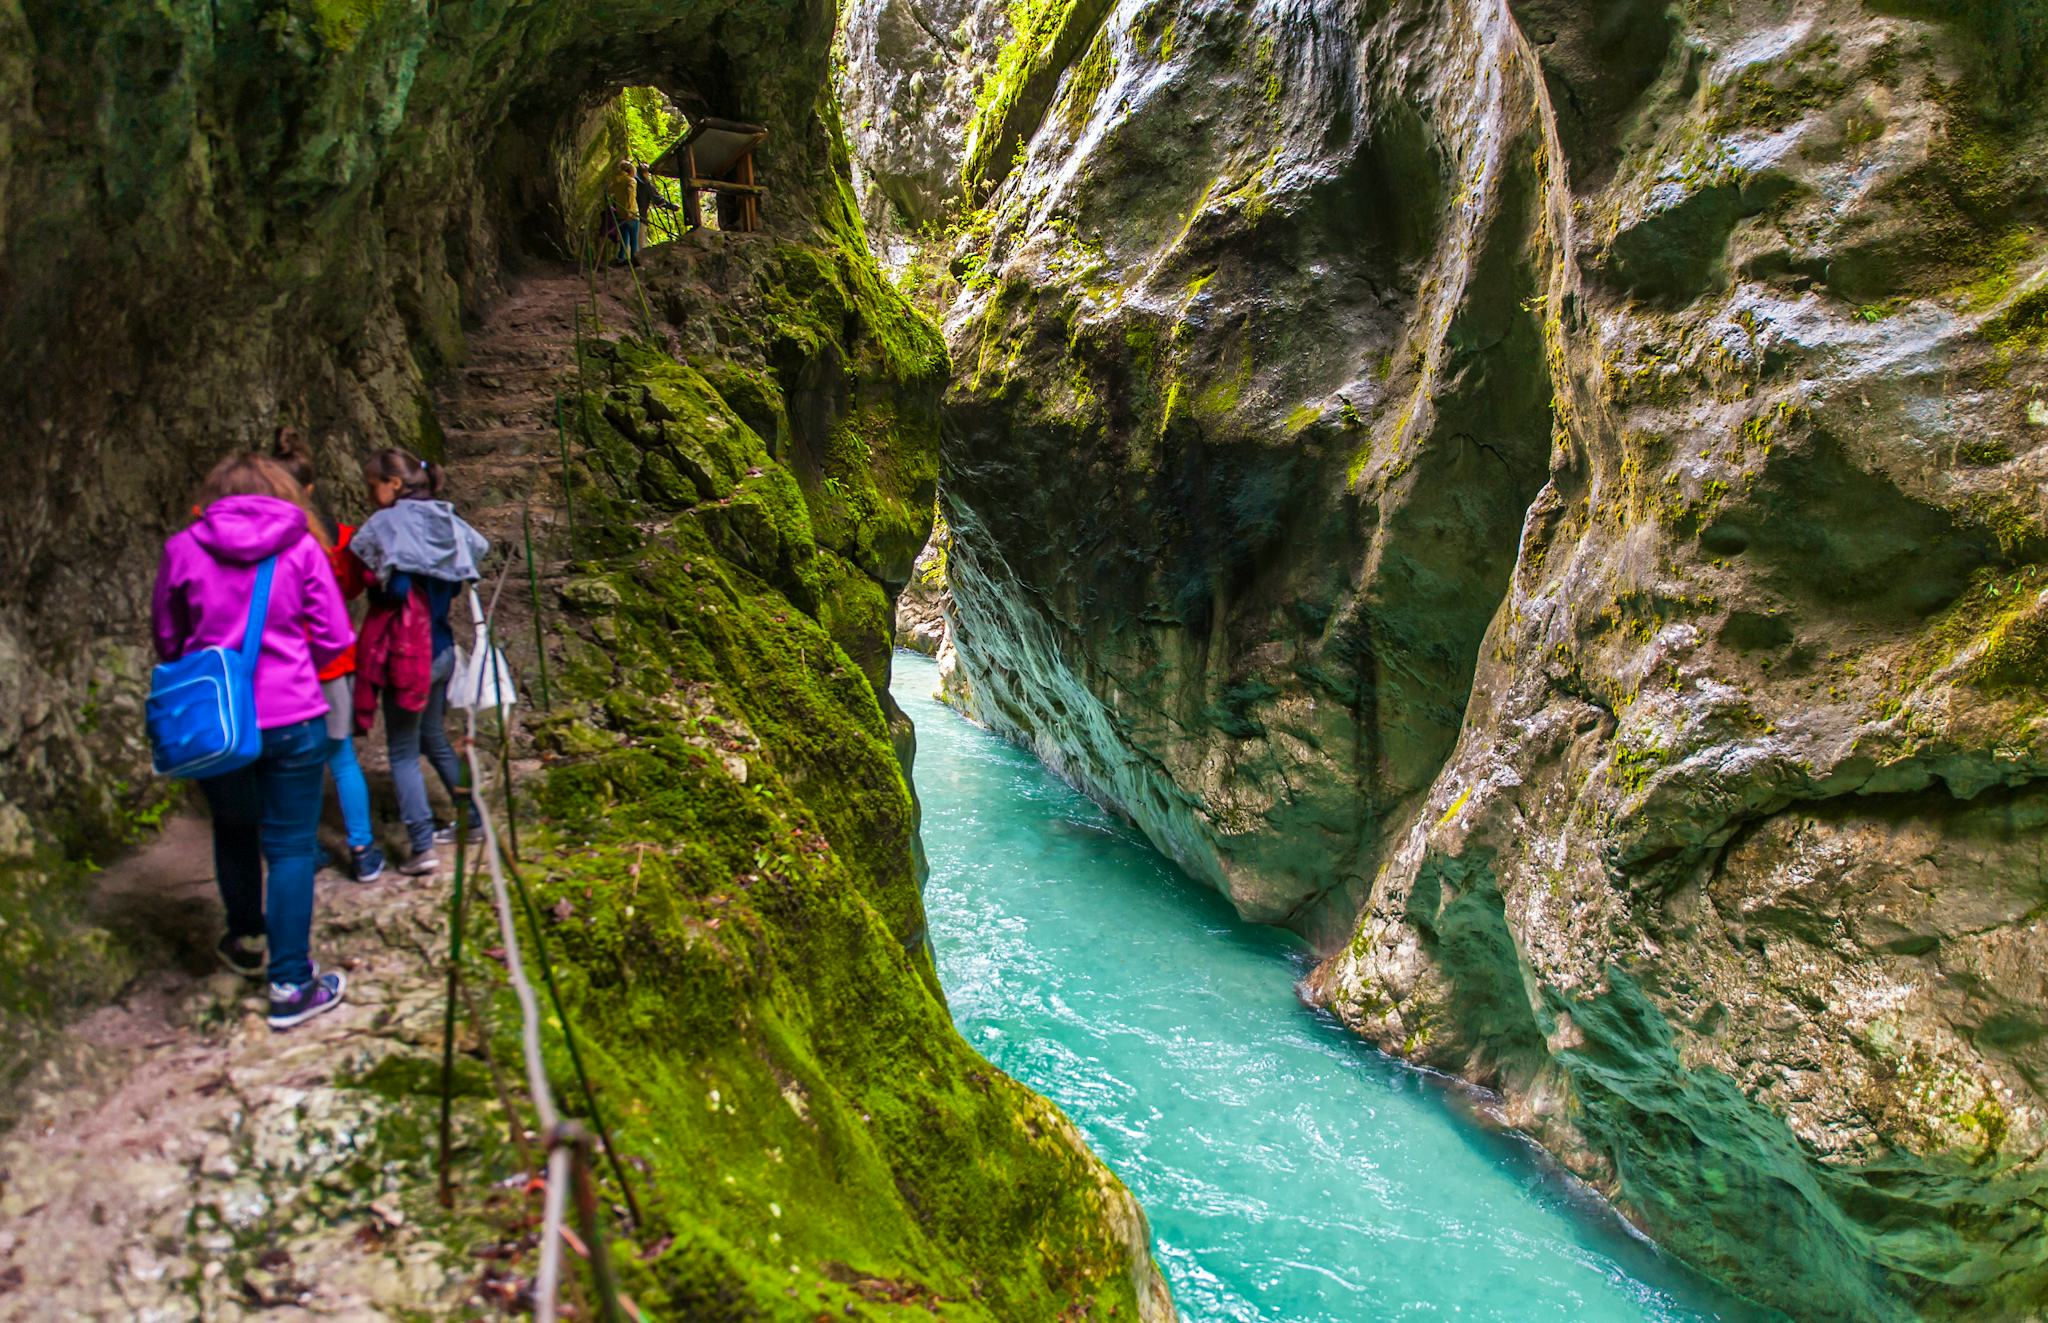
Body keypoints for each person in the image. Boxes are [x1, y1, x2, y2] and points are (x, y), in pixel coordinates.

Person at [151, 453, 355, 1029]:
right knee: (290, 846)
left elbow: (168, 639)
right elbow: (335, 635)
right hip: (292, 714)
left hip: (217, 722)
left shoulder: (183, 548)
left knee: (234, 829)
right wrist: (289, 665)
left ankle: (246, 939)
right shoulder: (302, 547)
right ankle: (291, 983)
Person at [348, 448, 489, 875]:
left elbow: (377, 576)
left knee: (403, 751)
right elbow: (477, 550)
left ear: (393, 484)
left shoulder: (387, 524)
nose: (371, 495)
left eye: (373, 486)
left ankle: (422, 845)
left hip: (407, 652)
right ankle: (473, 818)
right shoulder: (448, 519)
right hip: (442, 648)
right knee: (433, 737)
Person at [272, 429, 384, 882]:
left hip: (276, 671)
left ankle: (300, 846)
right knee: (340, 759)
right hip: (330, 666)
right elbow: (354, 588)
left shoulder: (254, 548)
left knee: (285, 765)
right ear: (310, 490)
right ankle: (361, 847)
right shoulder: (332, 542)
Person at [635, 163, 679, 248]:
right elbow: (659, 200)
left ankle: (626, 260)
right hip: (640, 217)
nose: (648, 174)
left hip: (625, 216)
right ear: (644, 173)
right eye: (647, 172)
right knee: (641, 244)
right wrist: (673, 207)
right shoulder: (646, 186)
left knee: (628, 243)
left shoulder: (632, 182)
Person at [609, 158, 640, 266]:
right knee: (633, 241)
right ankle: (634, 262)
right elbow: (630, 197)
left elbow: (609, 193)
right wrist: (630, 212)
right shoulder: (631, 181)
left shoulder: (616, 181)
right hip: (631, 215)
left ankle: (620, 259)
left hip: (620, 214)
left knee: (623, 241)